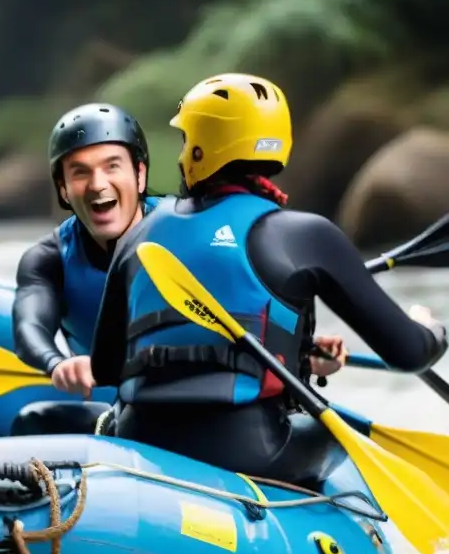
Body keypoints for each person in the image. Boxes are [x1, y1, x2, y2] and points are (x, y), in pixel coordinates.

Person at [89, 72, 446, 484]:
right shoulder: (306, 234)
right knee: (338, 435)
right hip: (248, 451)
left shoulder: (138, 233)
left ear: (203, 148)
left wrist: (300, 356)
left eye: (186, 139)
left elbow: (107, 367)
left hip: (140, 441)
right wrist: (430, 328)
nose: (183, 151)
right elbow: (409, 353)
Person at [10, 103, 159, 436]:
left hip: (205, 403)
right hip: (129, 412)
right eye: (80, 172)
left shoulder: (187, 231)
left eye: (112, 166)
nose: (97, 184)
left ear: (140, 175)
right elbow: (30, 327)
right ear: (63, 189)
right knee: (32, 421)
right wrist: (57, 363)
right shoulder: (48, 259)